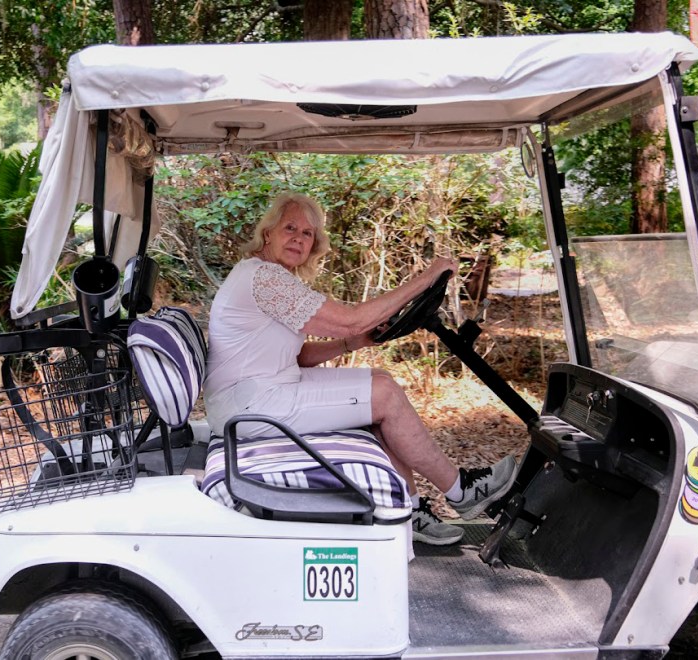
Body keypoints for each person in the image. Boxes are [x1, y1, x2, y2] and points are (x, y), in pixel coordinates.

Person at [203, 192, 516, 546]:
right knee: (382, 395)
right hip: (251, 406)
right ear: (268, 233)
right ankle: (462, 492)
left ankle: (410, 509)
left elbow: (299, 355)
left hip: (257, 393)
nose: (298, 238)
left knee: (379, 381)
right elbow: (351, 321)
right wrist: (426, 278)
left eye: (308, 234)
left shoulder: (269, 277)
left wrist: (354, 344)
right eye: (290, 227)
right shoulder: (265, 280)